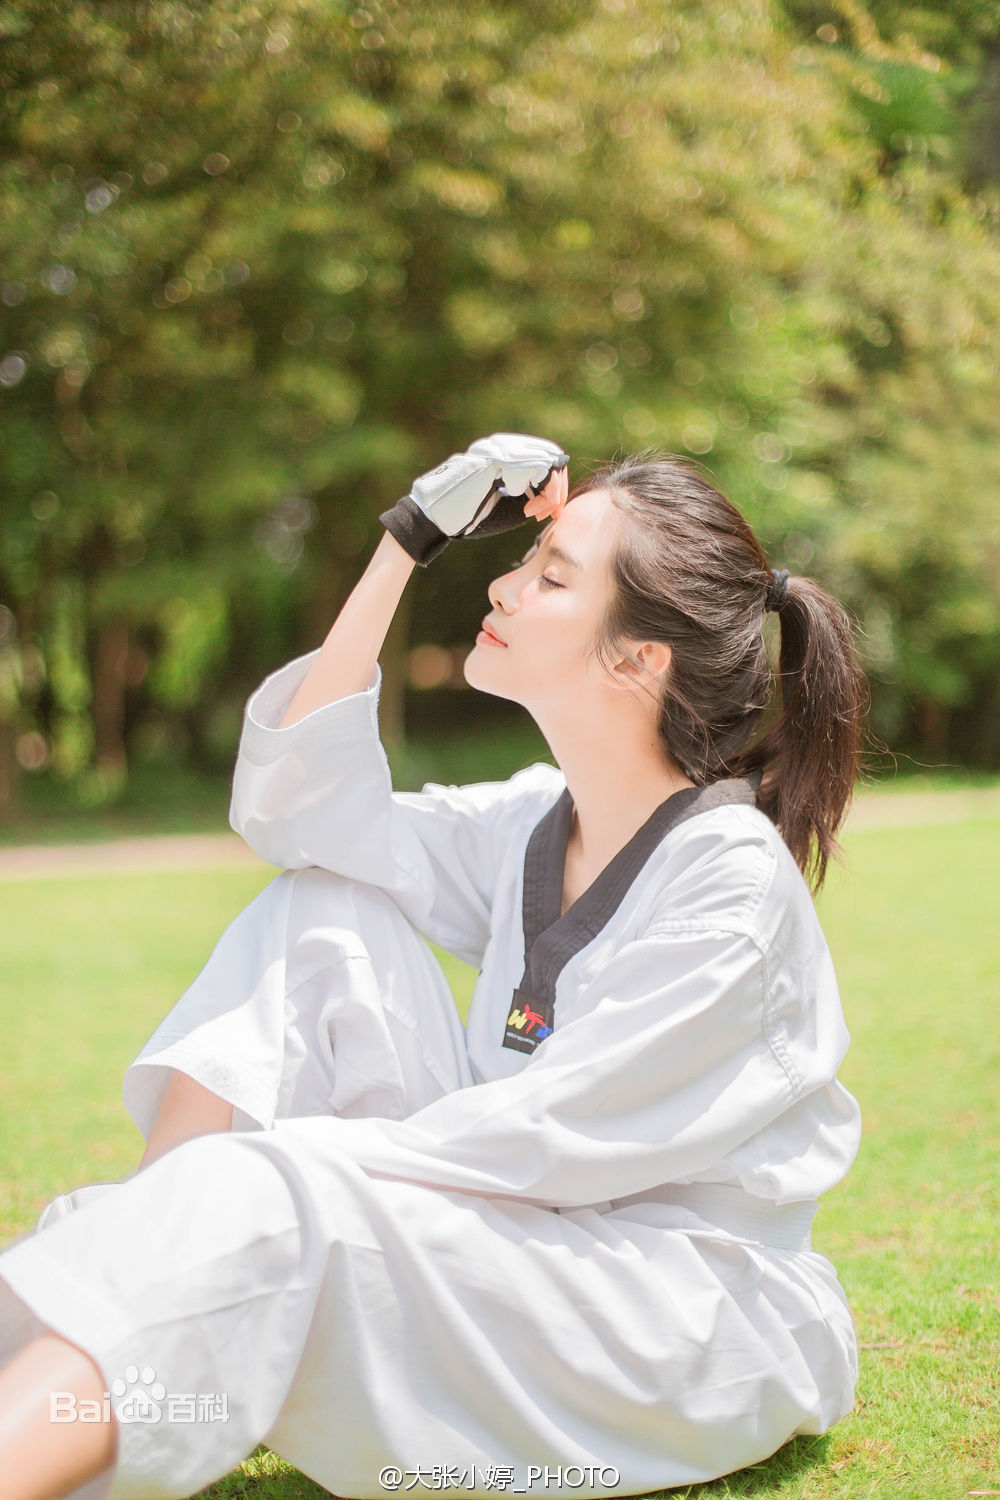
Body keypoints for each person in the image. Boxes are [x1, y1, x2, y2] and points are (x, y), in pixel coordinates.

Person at [0, 435, 868, 1500]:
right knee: (320, 903)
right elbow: (304, 819)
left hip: (669, 1324)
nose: (503, 581)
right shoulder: (529, 825)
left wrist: (272, 1176)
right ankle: (139, 1260)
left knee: (266, 1202)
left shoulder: (725, 883)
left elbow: (550, 1146)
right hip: (527, 1248)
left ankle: (142, 1271)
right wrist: (404, 543)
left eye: (551, 577)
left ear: (638, 660)